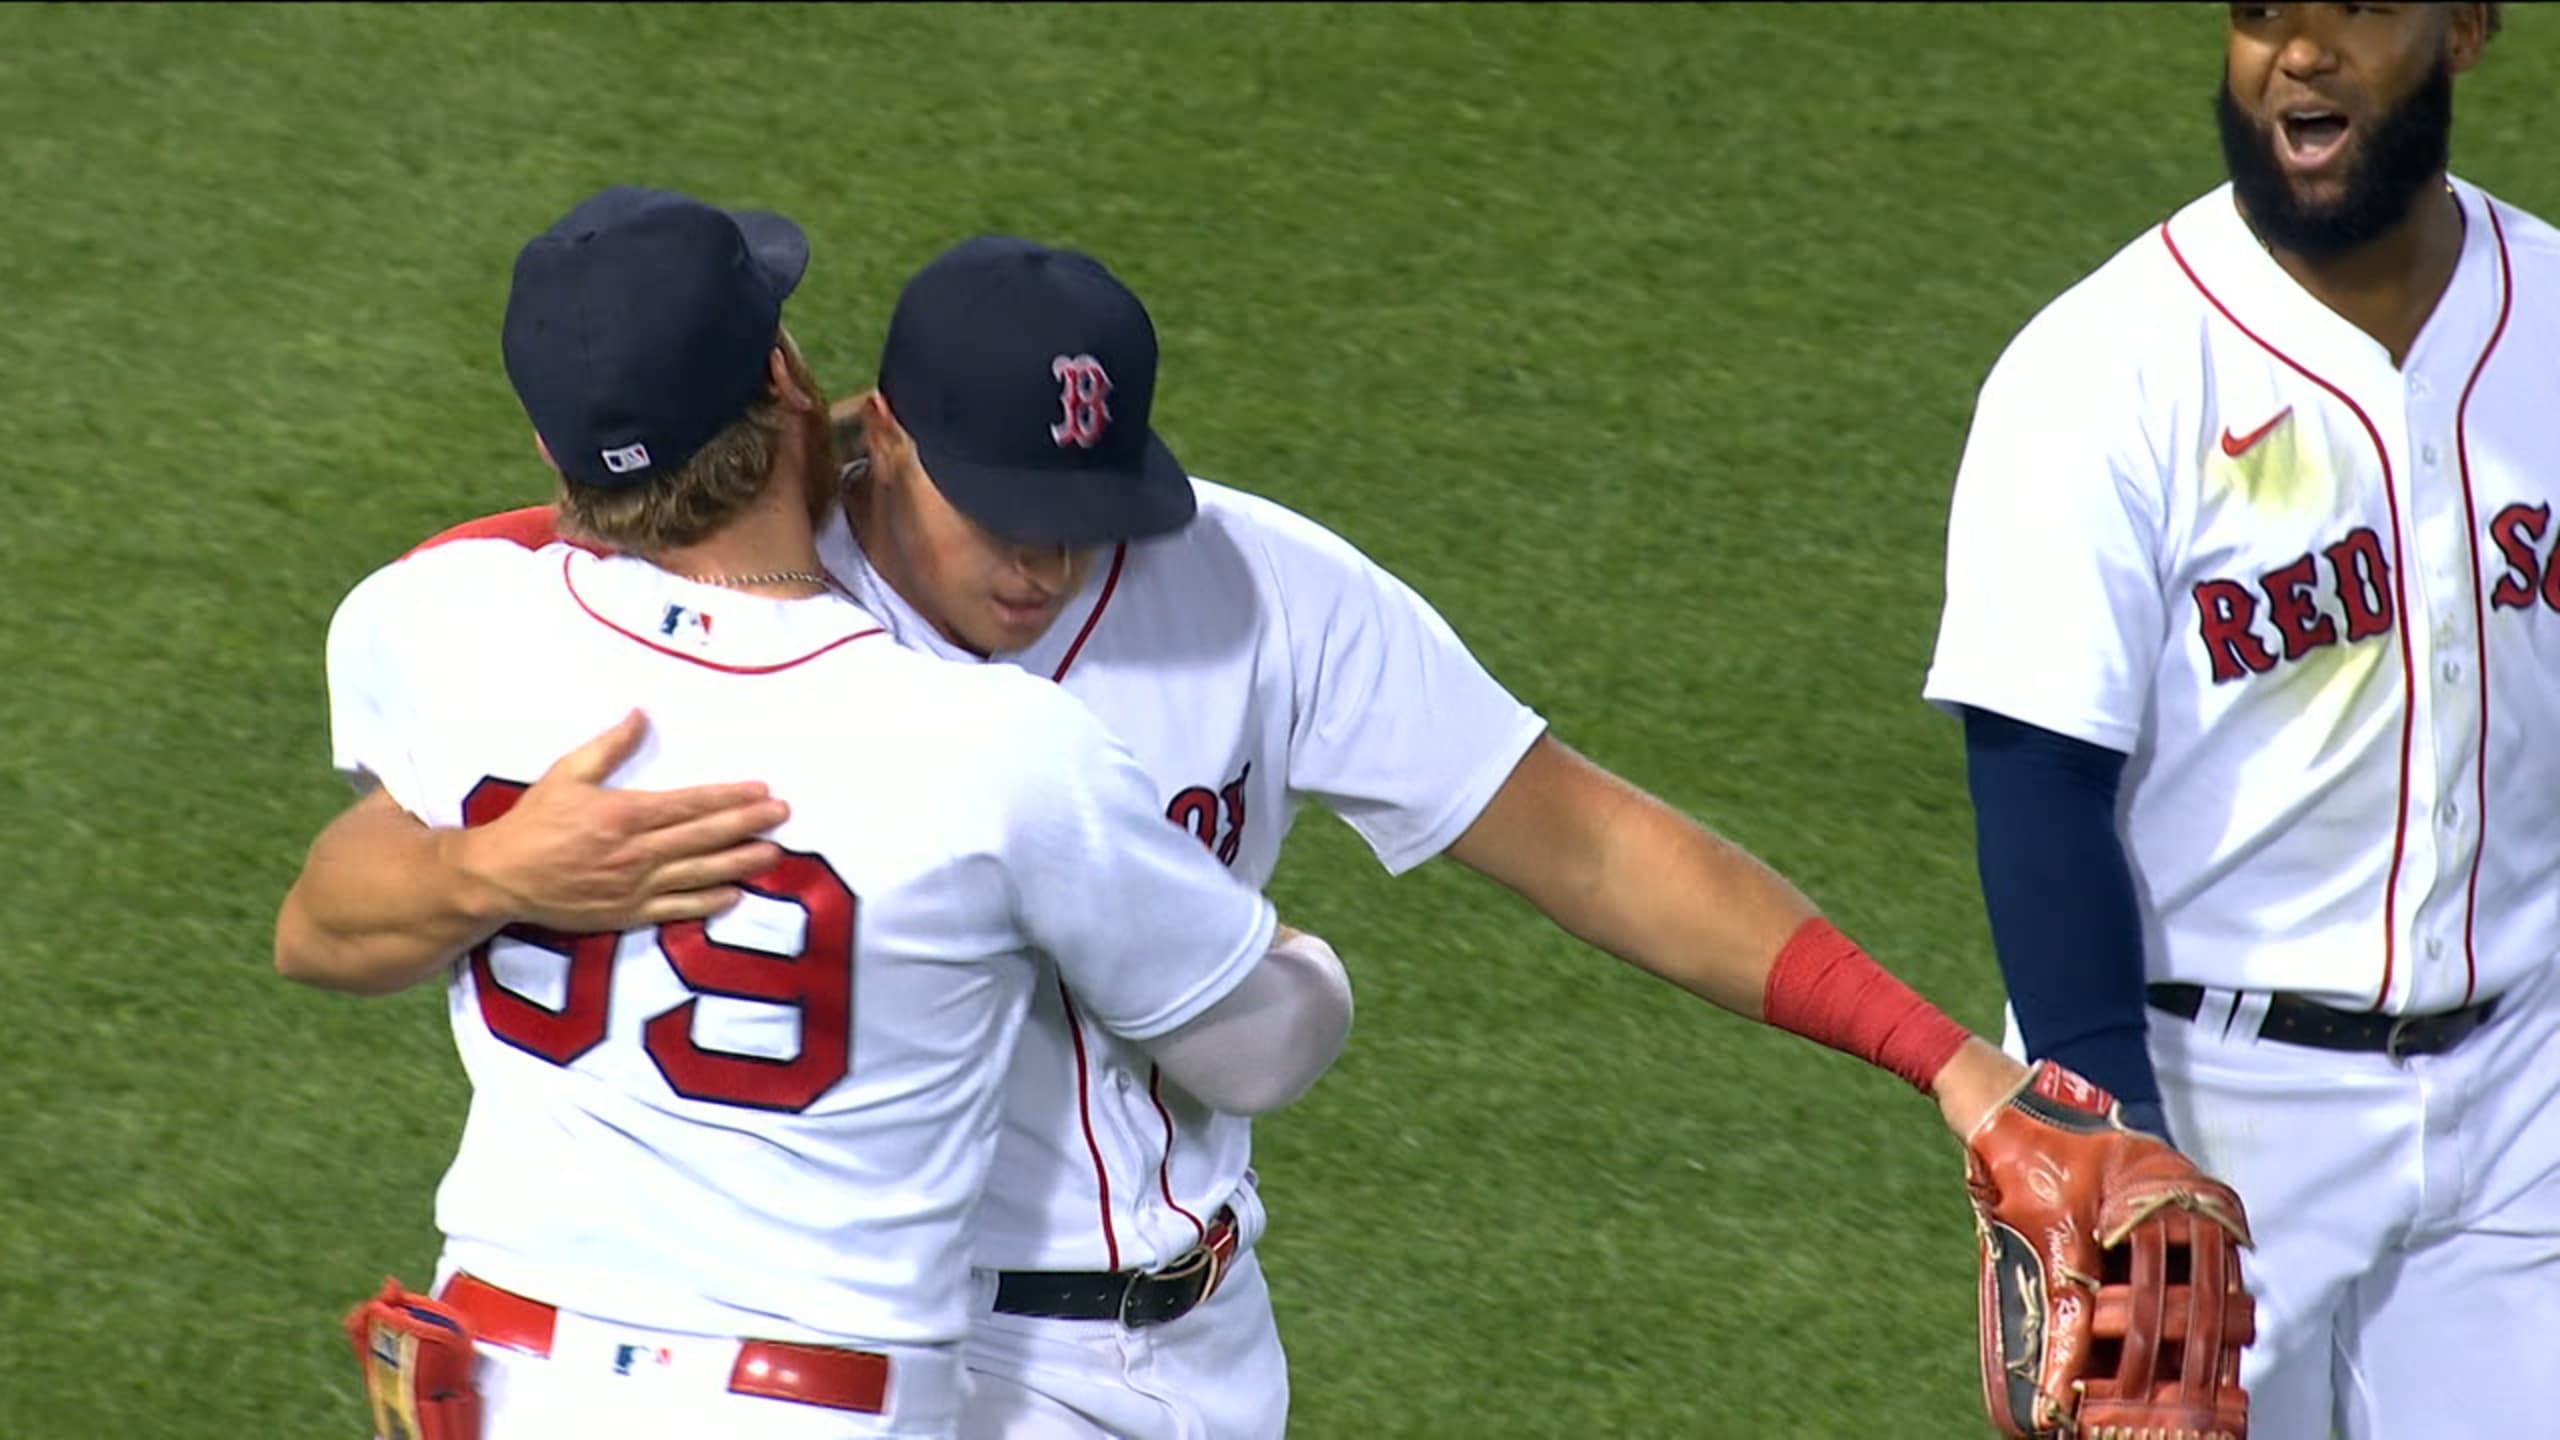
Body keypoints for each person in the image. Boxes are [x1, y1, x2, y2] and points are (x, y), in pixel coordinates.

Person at [285, 232, 2233, 1439]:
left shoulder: (1256, 588)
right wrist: (472, 872)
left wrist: (1955, 1070)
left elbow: (1579, 840)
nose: (1051, 557)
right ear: (854, 429)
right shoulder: (620, 625)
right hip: (904, 1365)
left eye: (1093, 503)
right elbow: (346, 885)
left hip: (1185, 1357)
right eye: (1001, 513)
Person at [276, 186, 1355, 1440]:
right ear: (787, 380)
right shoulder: (992, 749)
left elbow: (316, 926)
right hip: (798, 1410)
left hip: (502, 1379)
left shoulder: (437, 624)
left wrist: (493, 871)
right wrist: (1285, 950)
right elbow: (1257, 1051)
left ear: (549, 451)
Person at [1923, 4, 2557, 1437]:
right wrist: (2109, 1143)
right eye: (2265, 13)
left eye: (2357, 13)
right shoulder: (2101, 374)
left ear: (2464, 31)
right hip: (2210, 1102)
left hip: (2528, 1093)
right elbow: (2035, 786)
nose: (2301, 55)